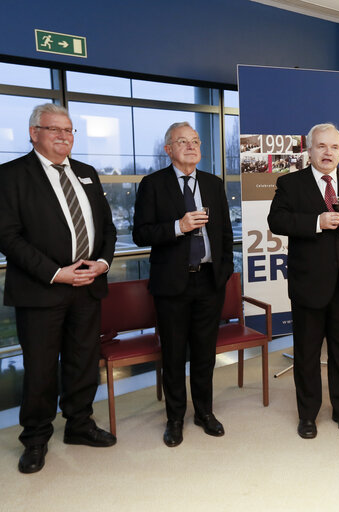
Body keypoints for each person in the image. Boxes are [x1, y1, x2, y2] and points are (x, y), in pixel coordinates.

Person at [0, 103, 117, 473]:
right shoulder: (12, 175)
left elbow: (107, 228)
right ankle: (35, 439)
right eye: (55, 130)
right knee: (41, 370)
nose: (65, 136)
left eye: (69, 130)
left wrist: (104, 263)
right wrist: (55, 273)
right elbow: (7, 237)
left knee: (82, 363)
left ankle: (79, 424)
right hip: (41, 289)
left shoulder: (87, 173)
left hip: (88, 285)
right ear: (34, 133)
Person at [267, 123, 339, 439]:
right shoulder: (291, 183)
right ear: (309, 149)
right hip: (308, 285)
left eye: (334, 147)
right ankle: (307, 416)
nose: (328, 152)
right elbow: (276, 220)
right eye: (321, 146)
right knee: (306, 354)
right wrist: (315, 222)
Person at [133, 122, 233, 448]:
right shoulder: (152, 184)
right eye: (182, 141)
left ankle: (204, 412)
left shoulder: (213, 184)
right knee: (174, 355)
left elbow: (225, 234)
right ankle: (174, 418)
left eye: (195, 141)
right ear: (168, 150)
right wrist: (178, 226)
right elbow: (141, 233)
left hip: (209, 282)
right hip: (172, 284)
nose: (190, 146)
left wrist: (224, 273)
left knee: (205, 354)